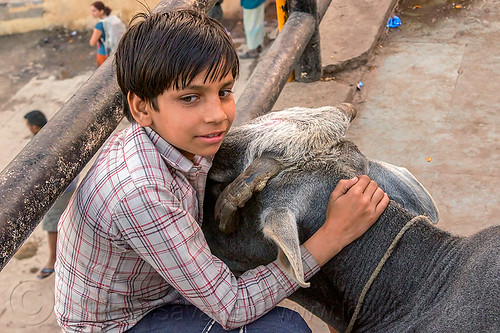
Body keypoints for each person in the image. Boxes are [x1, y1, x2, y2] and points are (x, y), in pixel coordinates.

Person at [54, 9, 389, 332]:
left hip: (155, 285)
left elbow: (277, 133)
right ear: (142, 108)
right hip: (123, 320)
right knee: (285, 328)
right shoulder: (141, 192)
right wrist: (335, 234)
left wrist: (271, 160)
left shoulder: (179, 138)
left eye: (224, 92)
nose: (217, 115)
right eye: (190, 98)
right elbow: (232, 308)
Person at [23, 110, 78, 279]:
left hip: (62, 189)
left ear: (34, 127)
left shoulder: (41, 144)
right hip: (71, 182)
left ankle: (53, 261)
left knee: (51, 224)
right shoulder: (56, 132)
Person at [89, 1, 126, 67]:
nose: (92, 13)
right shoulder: (114, 19)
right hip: (117, 51)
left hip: (104, 54)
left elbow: (92, 43)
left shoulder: (100, 25)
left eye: (94, 11)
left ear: (101, 11)